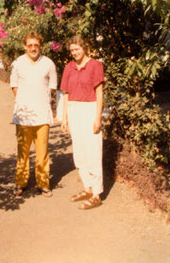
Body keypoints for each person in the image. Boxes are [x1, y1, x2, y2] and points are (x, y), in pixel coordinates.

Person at [10, 31, 57, 197]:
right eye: (30, 45)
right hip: (23, 115)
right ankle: (20, 183)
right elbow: (14, 86)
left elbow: (51, 87)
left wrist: (39, 101)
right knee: (22, 152)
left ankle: (43, 184)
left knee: (42, 152)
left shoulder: (49, 64)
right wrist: (26, 103)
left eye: (36, 45)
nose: (33, 48)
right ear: (25, 46)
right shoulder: (17, 63)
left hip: (42, 115)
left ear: (40, 46)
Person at [60, 34, 104, 209]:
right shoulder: (69, 67)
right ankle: (87, 187)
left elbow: (99, 93)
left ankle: (97, 194)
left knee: (93, 151)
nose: (74, 52)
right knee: (79, 152)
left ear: (84, 48)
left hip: (90, 109)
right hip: (73, 109)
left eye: (77, 49)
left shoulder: (95, 66)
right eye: (72, 50)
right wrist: (64, 117)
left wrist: (98, 117)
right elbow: (66, 94)